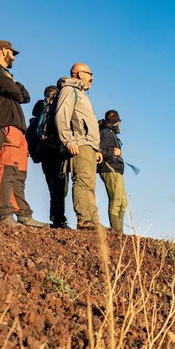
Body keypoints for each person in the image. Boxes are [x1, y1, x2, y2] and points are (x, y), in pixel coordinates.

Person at [0, 40, 47, 227]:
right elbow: (13, 91)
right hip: (4, 126)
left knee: (20, 172)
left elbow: (25, 96)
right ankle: (5, 213)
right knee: (8, 168)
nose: (13, 56)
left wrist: (13, 84)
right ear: (1, 51)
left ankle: (23, 213)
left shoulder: (6, 74)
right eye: (11, 52)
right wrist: (12, 85)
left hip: (16, 128)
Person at [55, 63, 103, 230]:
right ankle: (84, 220)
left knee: (90, 184)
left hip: (89, 145)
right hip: (79, 144)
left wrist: (96, 148)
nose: (92, 77)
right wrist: (69, 141)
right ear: (78, 74)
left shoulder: (82, 93)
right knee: (82, 181)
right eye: (89, 73)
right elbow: (62, 116)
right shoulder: (69, 90)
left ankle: (93, 220)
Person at [30, 86, 71, 229]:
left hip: (43, 152)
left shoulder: (39, 113)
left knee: (52, 186)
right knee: (60, 186)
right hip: (57, 151)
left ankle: (56, 217)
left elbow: (31, 134)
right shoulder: (57, 110)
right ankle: (59, 220)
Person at [98, 110, 127, 233]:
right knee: (116, 200)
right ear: (116, 122)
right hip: (110, 169)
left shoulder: (110, 133)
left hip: (116, 170)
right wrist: (113, 153)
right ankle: (117, 233)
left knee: (123, 203)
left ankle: (120, 232)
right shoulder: (106, 133)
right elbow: (98, 151)